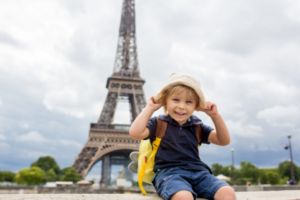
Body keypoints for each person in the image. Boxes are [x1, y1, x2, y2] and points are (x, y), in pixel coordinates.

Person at [129, 73, 236, 200]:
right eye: (176, 100)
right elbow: (135, 133)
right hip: (169, 174)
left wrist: (215, 116)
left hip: (200, 173)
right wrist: (150, 108)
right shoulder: (158, 123)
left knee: (227, 192)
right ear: (165, 100)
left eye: (189, 102)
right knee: (183, 196)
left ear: (196, 106)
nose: (181, 106)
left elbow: (223, 140)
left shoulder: (197, 126)